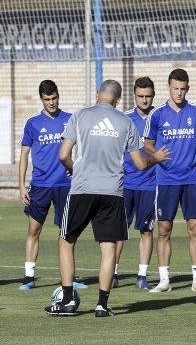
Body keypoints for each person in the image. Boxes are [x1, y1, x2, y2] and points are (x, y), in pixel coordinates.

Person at [45, 80, 169, 317]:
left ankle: (68, 300)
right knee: (109, 248)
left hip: (82, 189)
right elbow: (141, 164)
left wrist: (74, 167)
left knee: (66, 240)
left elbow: (63, 155)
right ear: (118, 100)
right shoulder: (126, 122)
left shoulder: (80, 116)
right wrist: (156, 158)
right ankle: (102, 305)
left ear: (97, 95)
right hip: (112, 192)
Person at [143, 69, 196, 293]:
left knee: (195, 229)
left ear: (188, 88)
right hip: (166, 180)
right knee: (164, 229)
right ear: (169, 87)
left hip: (192, 179)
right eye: (175, 89)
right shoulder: (158, 115)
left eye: (183, 89)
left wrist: (190, 158)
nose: (179, 93)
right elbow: (147, 144)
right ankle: (164, 279)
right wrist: (157, 157)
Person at [18, 80, 82, 290]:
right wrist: (21, 185)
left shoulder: (70, 119)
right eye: (47, 99)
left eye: (54, 98)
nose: (51, 102)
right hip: (40, 185)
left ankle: (70, 278)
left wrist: (76, 166)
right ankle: (29, 277)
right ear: (41, 99)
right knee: (34, 230)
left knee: (67, 233)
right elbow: (24, 155)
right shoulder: (32, 123)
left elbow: (81, 147)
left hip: (65, 185)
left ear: (58, 96)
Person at [117, 77, 157, 290]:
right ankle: (112, 271)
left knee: (146, 230)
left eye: (148, 96)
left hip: (150, 185)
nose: (144, 100)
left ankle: (142, 275)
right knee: (118, 231)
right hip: (125, 184)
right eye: (140, 96)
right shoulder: (124, 119)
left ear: (153, 96)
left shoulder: (158, 118)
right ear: (134, 96)